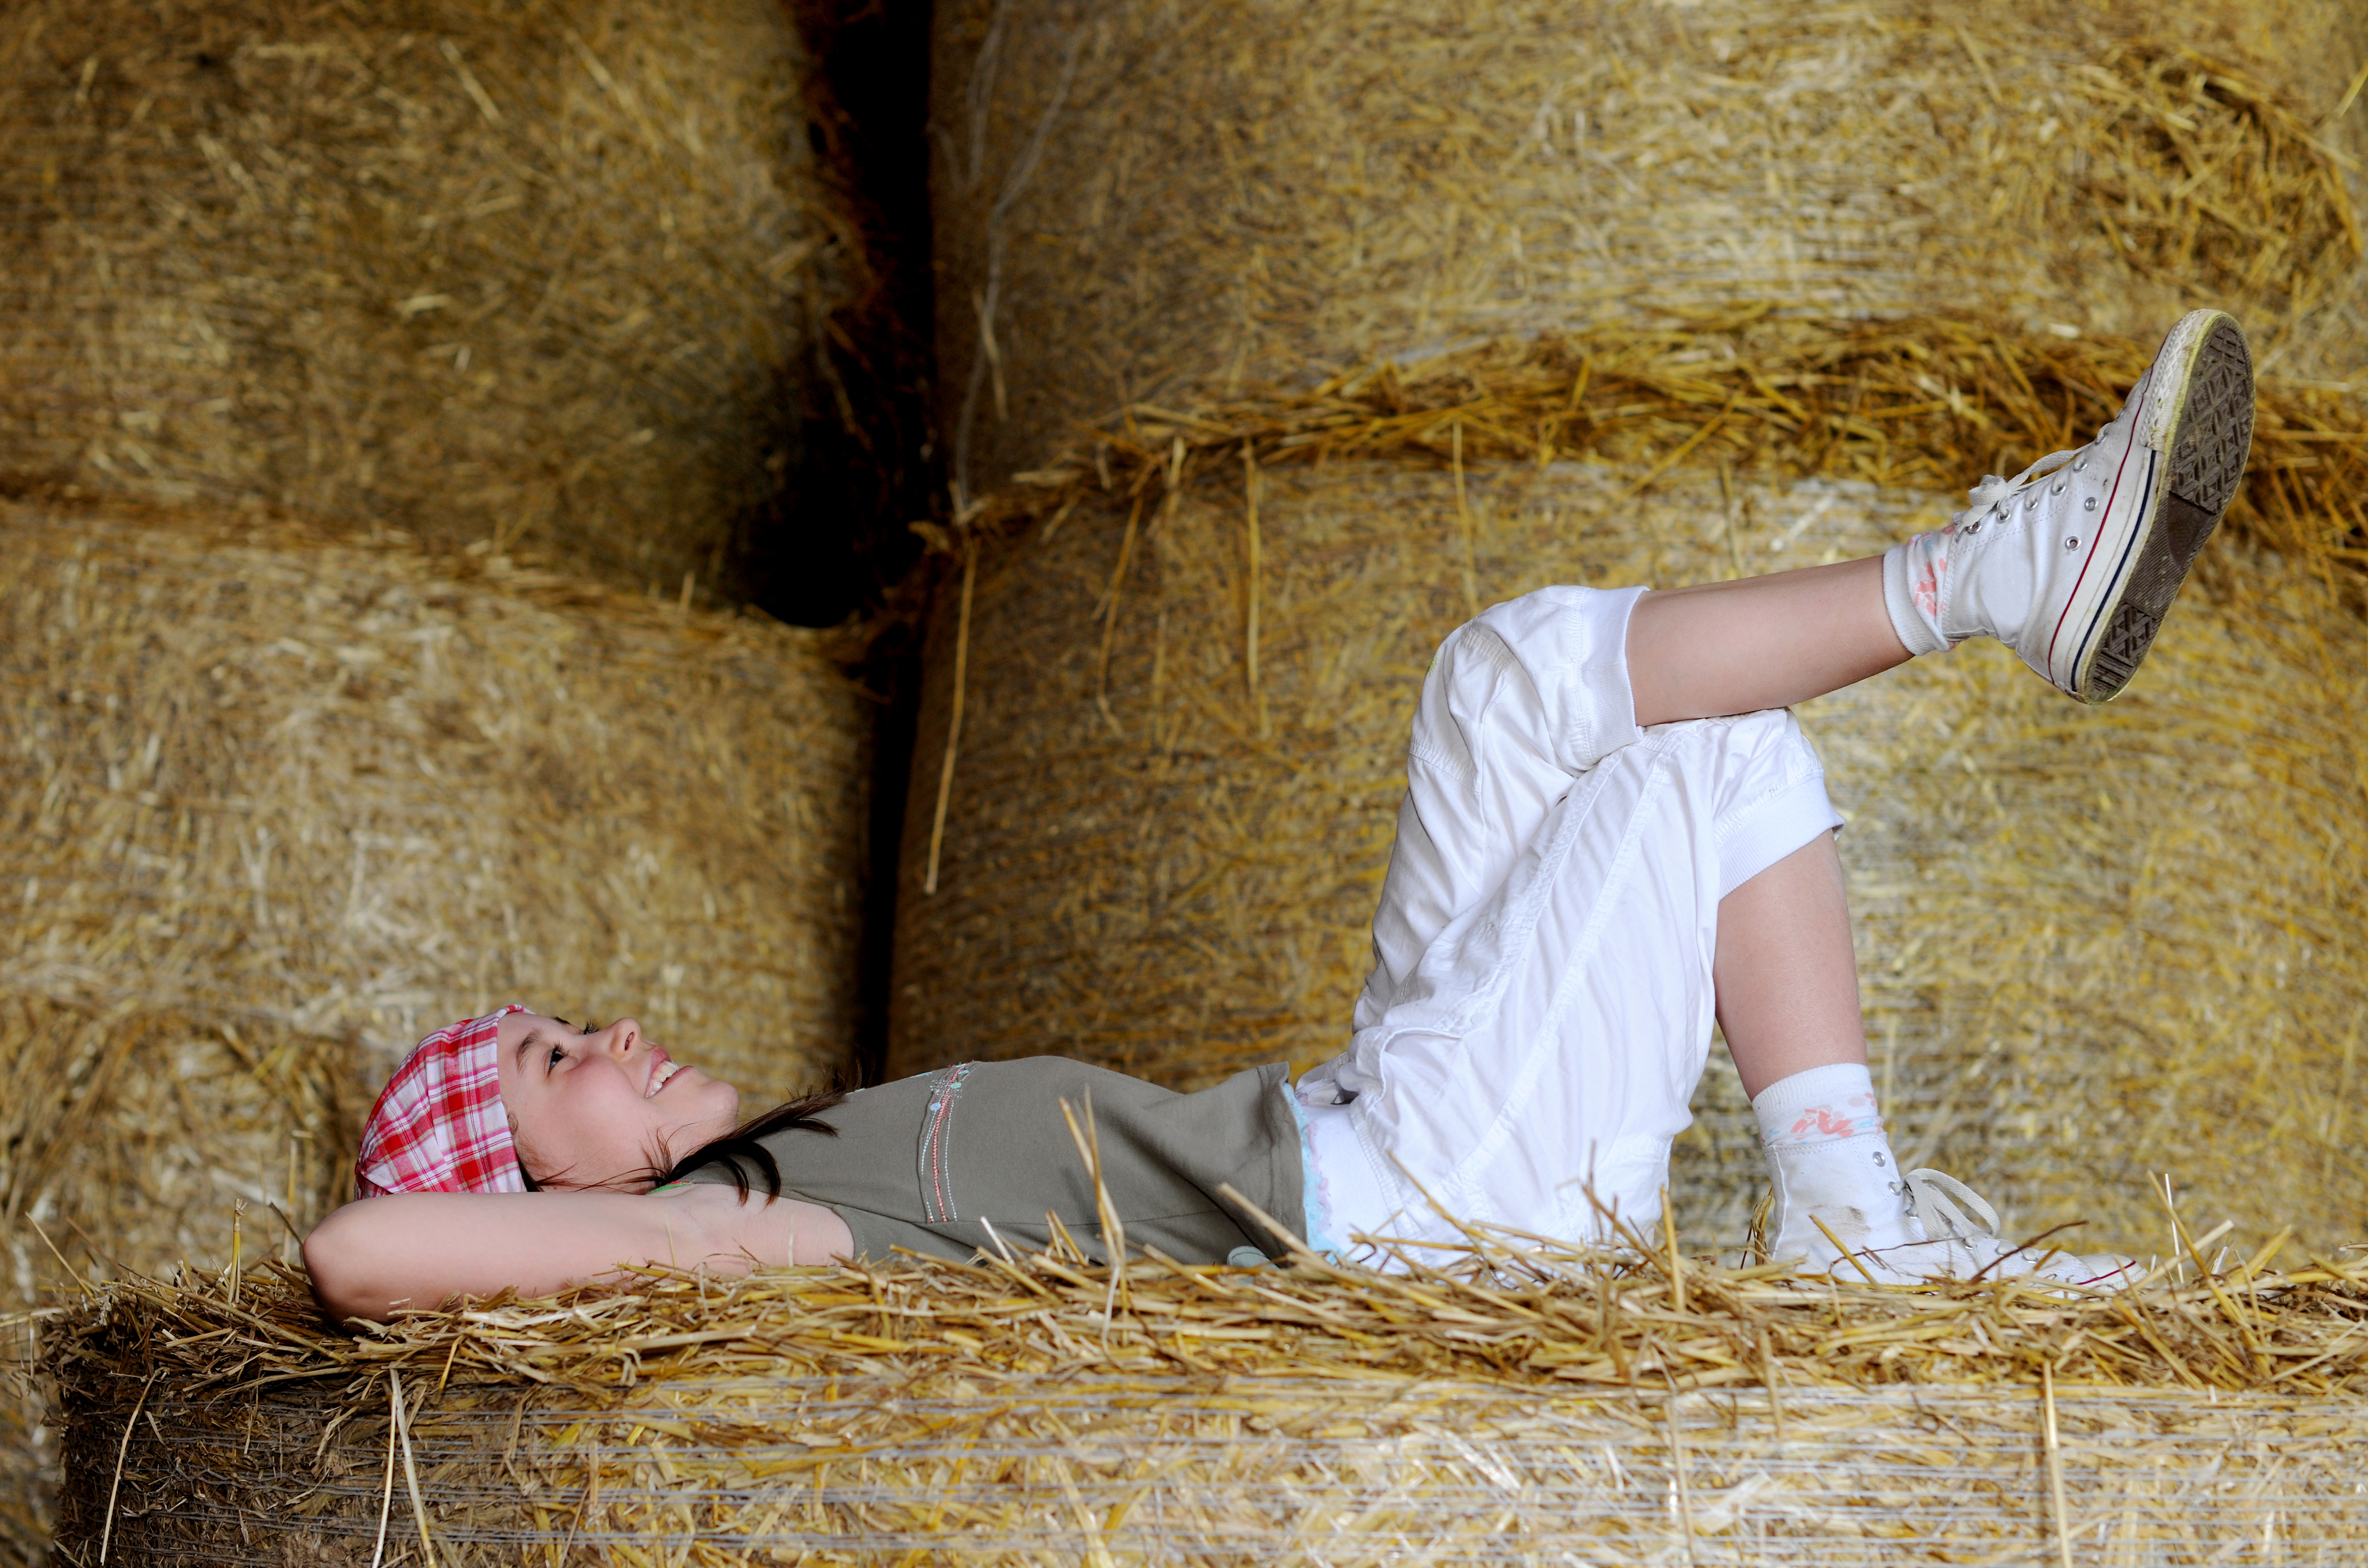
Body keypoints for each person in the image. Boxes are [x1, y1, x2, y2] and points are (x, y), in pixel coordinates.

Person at [304, 309, 2254, 1323]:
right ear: (525, 1184)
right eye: (556, 1056)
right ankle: (1869, 1238)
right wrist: (555, 1225)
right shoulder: (727, 1235)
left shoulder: (801, 1162)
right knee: (1687, 764)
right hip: (1410, 1218)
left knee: (1513, 683)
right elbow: (354, 1258)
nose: (613, 1029)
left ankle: (1990, 589)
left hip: (1369, 1122)